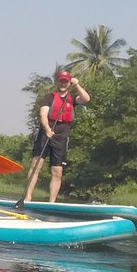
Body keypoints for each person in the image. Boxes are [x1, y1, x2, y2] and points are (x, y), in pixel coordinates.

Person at [24, 71, 90, 203]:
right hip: (46, 133)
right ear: (57, 82)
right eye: (61, 81)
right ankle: (27, 197)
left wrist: (77, 85)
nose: (63, 83)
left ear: (68, 82)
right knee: (37, 164)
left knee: (57, 171)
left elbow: (86, 99)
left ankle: (52, 202)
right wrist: (47, 129)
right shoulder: (49, 97)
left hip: (61, 137)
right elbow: (43, 114)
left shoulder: (72, 99)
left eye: (66, 81)